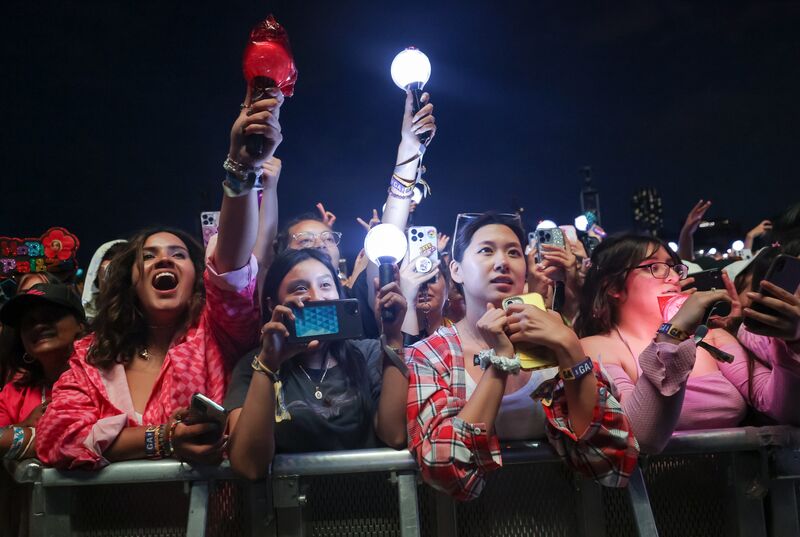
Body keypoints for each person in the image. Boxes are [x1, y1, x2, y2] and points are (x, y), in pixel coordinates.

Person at [36, 86, 282, 469]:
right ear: (131, 282)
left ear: (199, 276)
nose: (161, 261)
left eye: (178, 255)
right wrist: (162, 438)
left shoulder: (217, 334)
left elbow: (233, 261)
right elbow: (56, 436)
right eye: (147, 257)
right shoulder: (93, 356)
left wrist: (241, 166)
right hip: (114, 526)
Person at [406, 213, 639, 501]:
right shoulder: (429, 355)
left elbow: (612, 457)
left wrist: (570, 348)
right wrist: (501, 362)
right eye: (486, 250)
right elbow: (445, 467)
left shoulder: (554, 338)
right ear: (456, 270)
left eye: (514, 252)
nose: (502, 262)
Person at [576, 234, 800, 453]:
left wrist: (789, 343)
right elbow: (640, 435)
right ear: (613, 287)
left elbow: (781, 408)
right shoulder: (596, 348)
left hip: (732, 482)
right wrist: (674, 334)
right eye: (654, 267)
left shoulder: (712, 338)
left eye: (674, 267)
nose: (673, 277)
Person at [226, 248, 408, 479]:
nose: (316, 297)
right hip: (290, 510)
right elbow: (249, 465)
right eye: (300, 288)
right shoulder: (253, 366)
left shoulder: (368, 354)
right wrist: (268, 365)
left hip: (372, 508)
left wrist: (392, 336)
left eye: (325, 285)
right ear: (273, 305)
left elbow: (395, 435)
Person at [0, 284, 86, 459]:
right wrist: (24, 424)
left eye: (50, 316)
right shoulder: (14, 392)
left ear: (80, 325)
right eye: (28, 322)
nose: (38, 326)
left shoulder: (107, 380)